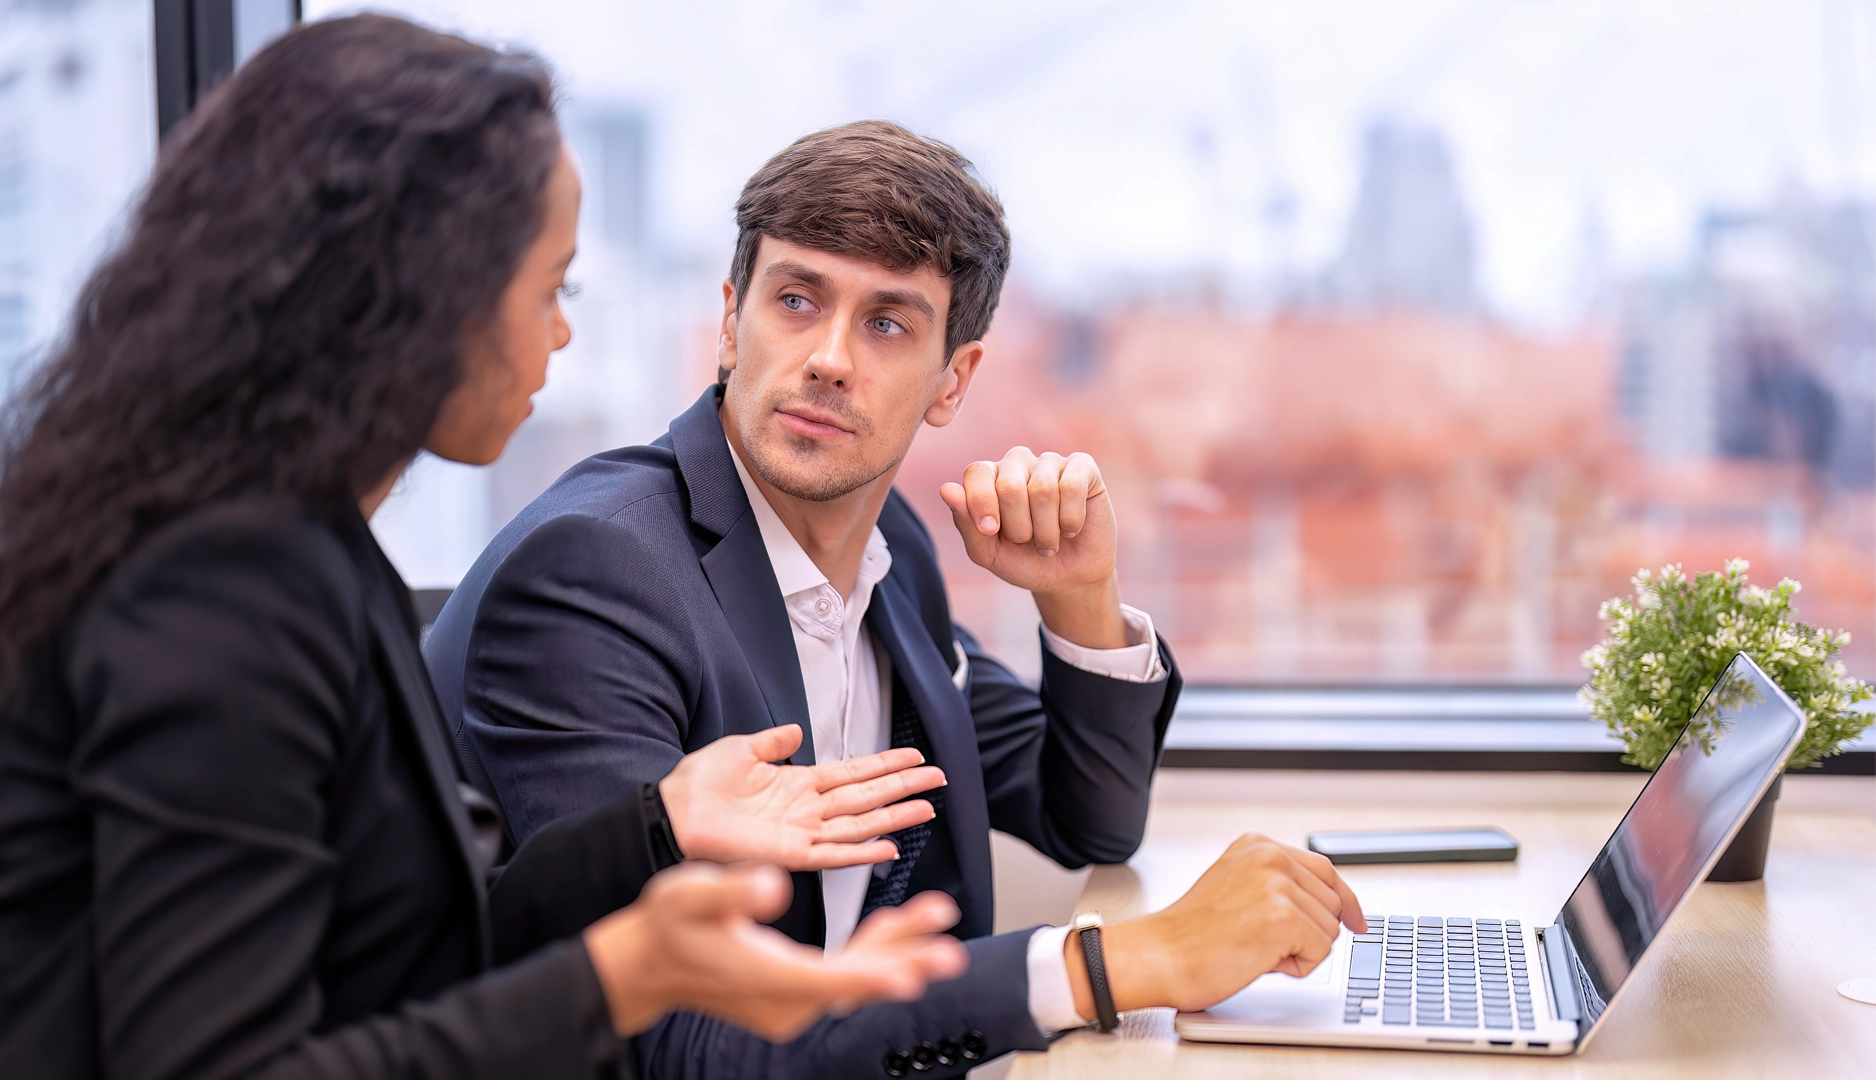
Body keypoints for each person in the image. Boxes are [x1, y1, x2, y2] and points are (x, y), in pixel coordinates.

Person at [0, 20, 970, 1080]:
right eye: (549, 291)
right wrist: (618, 979)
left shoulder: (311, 548)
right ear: (420, 302)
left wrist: (655, 831)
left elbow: (411, 948)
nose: (560, 336)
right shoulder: (218, 591)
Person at [425, 120, 1366, 1078]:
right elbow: (675, 1049)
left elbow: (1087, 818)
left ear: (953, 380)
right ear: (728, 321)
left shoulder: (887, 548)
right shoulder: (596, 575)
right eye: (796, 299)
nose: (829, 358)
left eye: (886, 323)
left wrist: (1081, 596)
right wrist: (1122, 962)